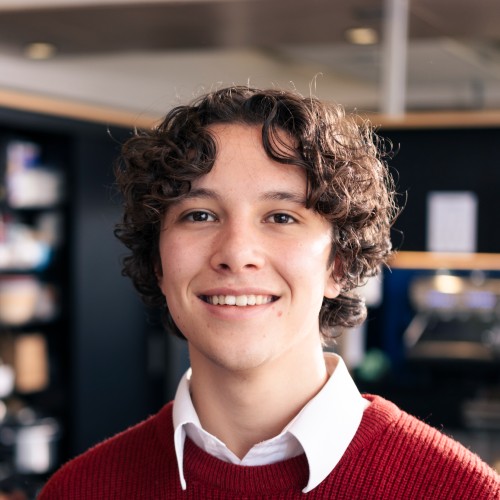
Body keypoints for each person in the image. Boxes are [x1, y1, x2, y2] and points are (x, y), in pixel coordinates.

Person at [39, 86, 499, 499]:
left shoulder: (459, 491)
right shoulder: (79, 489)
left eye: (281, 217)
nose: (236, 254)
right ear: (159, 263)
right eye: (199, 215)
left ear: (338, 264)